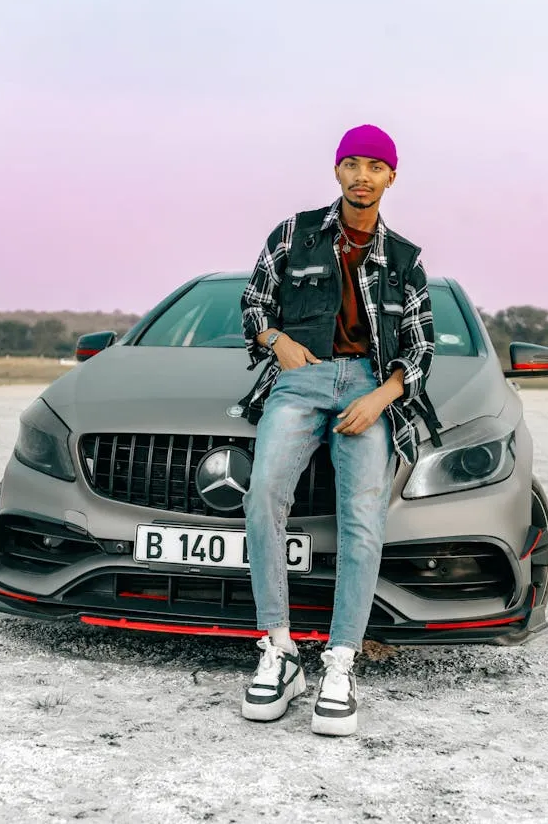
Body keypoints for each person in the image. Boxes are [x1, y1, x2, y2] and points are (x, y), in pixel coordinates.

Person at [238, 124, 436, 736]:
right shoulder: (293, 234)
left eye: (375, 166)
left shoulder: (406, 259)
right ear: (337, 171)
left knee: (362, 518)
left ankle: (341, 662)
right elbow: (253, 303)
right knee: (263, 496)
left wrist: (380, 398)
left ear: (391, 177)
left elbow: (421, 347)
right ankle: (278, 651)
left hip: (369, 390)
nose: (362, 176)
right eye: (352, 164)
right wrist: (277, 340)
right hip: (301, 379)